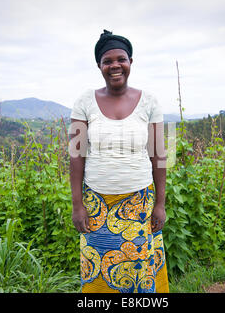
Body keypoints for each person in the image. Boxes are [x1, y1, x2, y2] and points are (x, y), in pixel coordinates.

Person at [69, 29, 169, 293]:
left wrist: (160, 204)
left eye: (120, 59)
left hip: (139, 203)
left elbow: (158, 155)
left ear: (130, 62)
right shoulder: (84, 101)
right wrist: (77, 205)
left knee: (138, 272)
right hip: (96, 205)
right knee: (99, 274)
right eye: (107, 61)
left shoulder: (149, 102)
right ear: (99, 66)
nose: (115, 65)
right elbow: (76, 154)